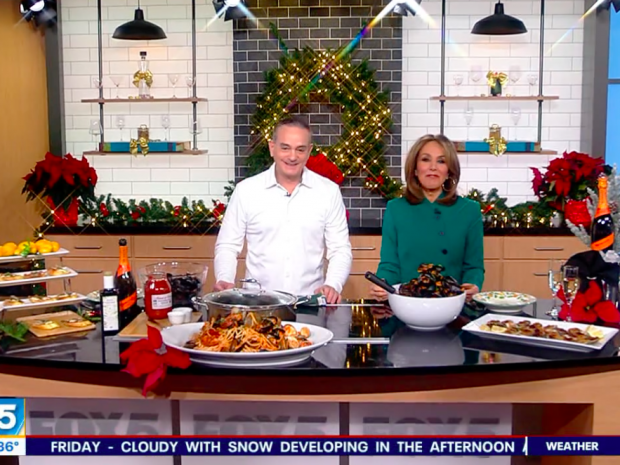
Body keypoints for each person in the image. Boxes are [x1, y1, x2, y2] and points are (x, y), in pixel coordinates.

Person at [213, 115, 352, 304]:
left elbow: (340, 249)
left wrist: (333, 284)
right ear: (272, 148)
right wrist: (224, 278)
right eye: (285, 148)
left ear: (309, 151)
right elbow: (228, 245)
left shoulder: (328, 192)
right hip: (257, 304)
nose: (292, 157)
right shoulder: (246, 191)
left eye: (300, 149)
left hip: (309, 303)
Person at [370, 134, 484, 302]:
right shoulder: (396, 209)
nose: (433, 167)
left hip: (451, 304)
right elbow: (390, 264)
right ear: (415, 169)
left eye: (441, 161)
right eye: (425, 159)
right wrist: (383, 284)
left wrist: (472, 285)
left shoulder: (469, 210)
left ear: (449, 171)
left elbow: (474, 267)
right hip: (407, 303)